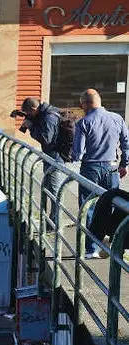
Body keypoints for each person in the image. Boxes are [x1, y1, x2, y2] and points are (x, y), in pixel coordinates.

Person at [72, 89, 129, 258]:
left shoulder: (83, 122)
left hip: (90, 168)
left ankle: (91, 248)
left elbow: (78, 153)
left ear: (87, 104)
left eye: (82, 105)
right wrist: (124, 164)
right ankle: (116, 243)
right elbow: (126, 144)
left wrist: (74, 155)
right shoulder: (117, 118)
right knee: (115, 205)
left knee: (88, 207)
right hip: (112, 168)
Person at [14, 97, 66, 218]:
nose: (28, 115)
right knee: (48, 188)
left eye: (28, 113)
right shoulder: (43, 114)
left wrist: (31, 127)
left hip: (55, 158)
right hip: (50, 157)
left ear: (33, 109)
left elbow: (46, 139)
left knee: (55, 191)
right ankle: (51, 219)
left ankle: (56, 223)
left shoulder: (49, 117)